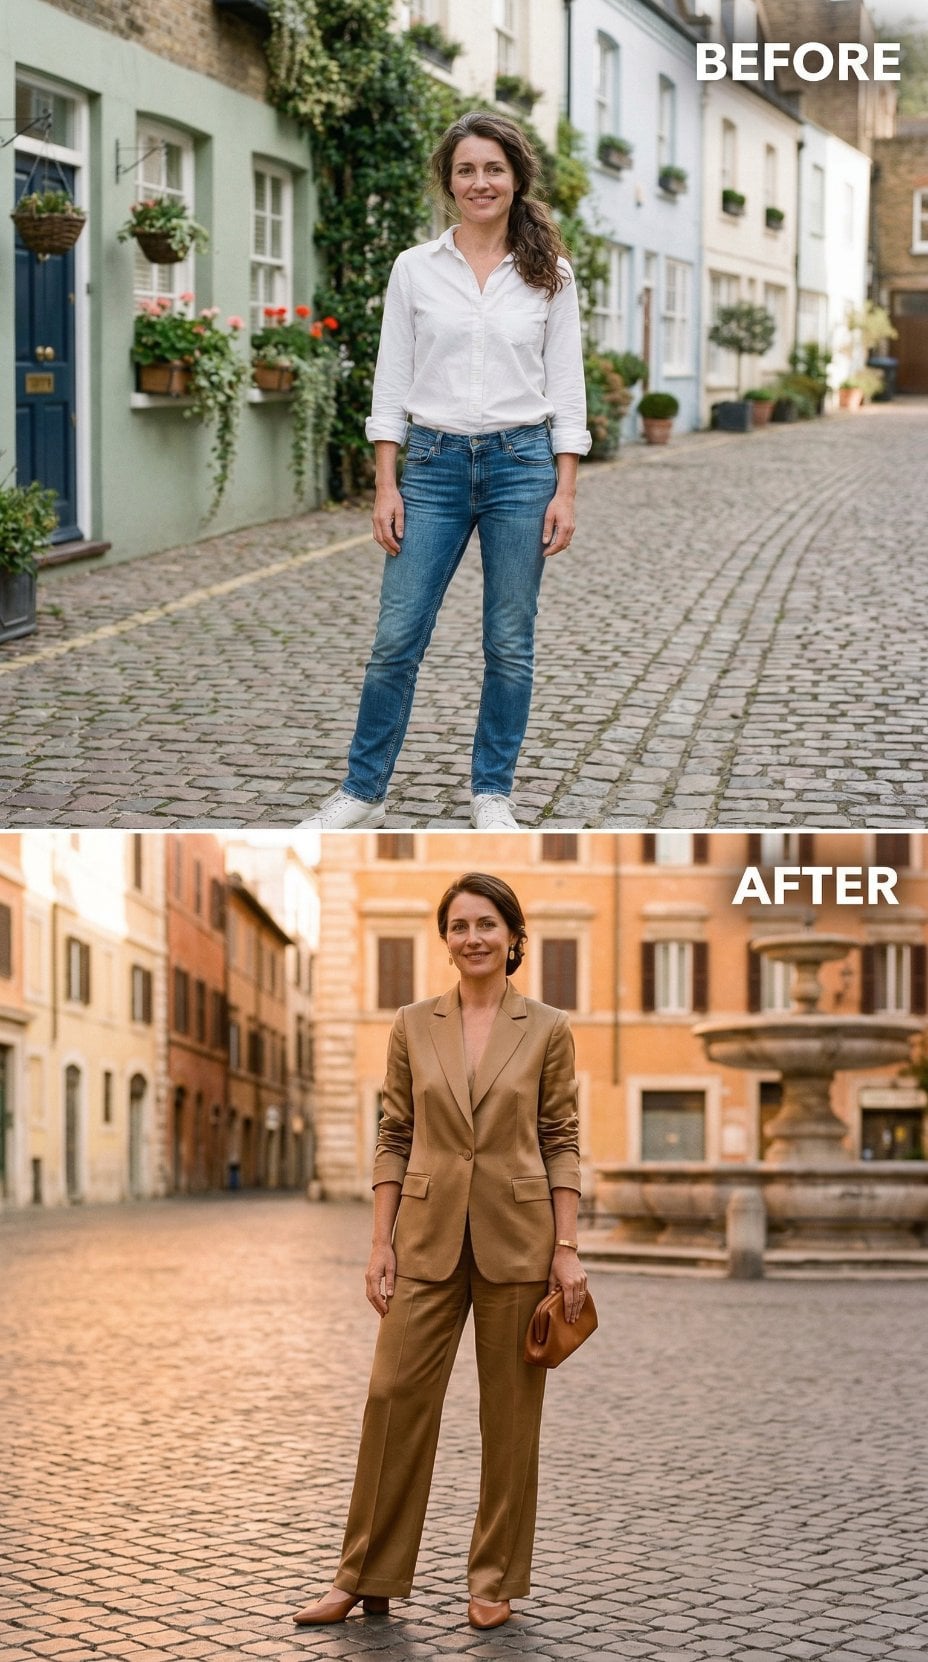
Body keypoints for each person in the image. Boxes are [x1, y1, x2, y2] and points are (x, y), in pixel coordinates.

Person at [293, 872, 588, 1630]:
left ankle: (493, 1578)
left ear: (514, 938)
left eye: (487, 924)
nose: (473, 938)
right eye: (459, 925)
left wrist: (567, 1247)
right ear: (446, 939)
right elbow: (395, 1133)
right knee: (391, 1402)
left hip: (518, 1244)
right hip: (423, 1240)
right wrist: (378, 1242)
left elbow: (560, 1139)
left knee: (511, 1421)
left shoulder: (548, 1026)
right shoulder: (412, 1023)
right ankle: (366, 1575)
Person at [301, 111, 591, 833]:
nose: (480, 182)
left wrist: (565, 488)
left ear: (516, 176)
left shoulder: (550, 274)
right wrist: (386, 482)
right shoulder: (414, 269)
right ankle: (363, 791)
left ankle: (493, 792)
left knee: (508, 641)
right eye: (466, 170)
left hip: (522, 467)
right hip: (429, 468)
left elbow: (568, 385)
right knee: (397, 637)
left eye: (493, 168)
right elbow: (390, 380)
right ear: (449, 181)